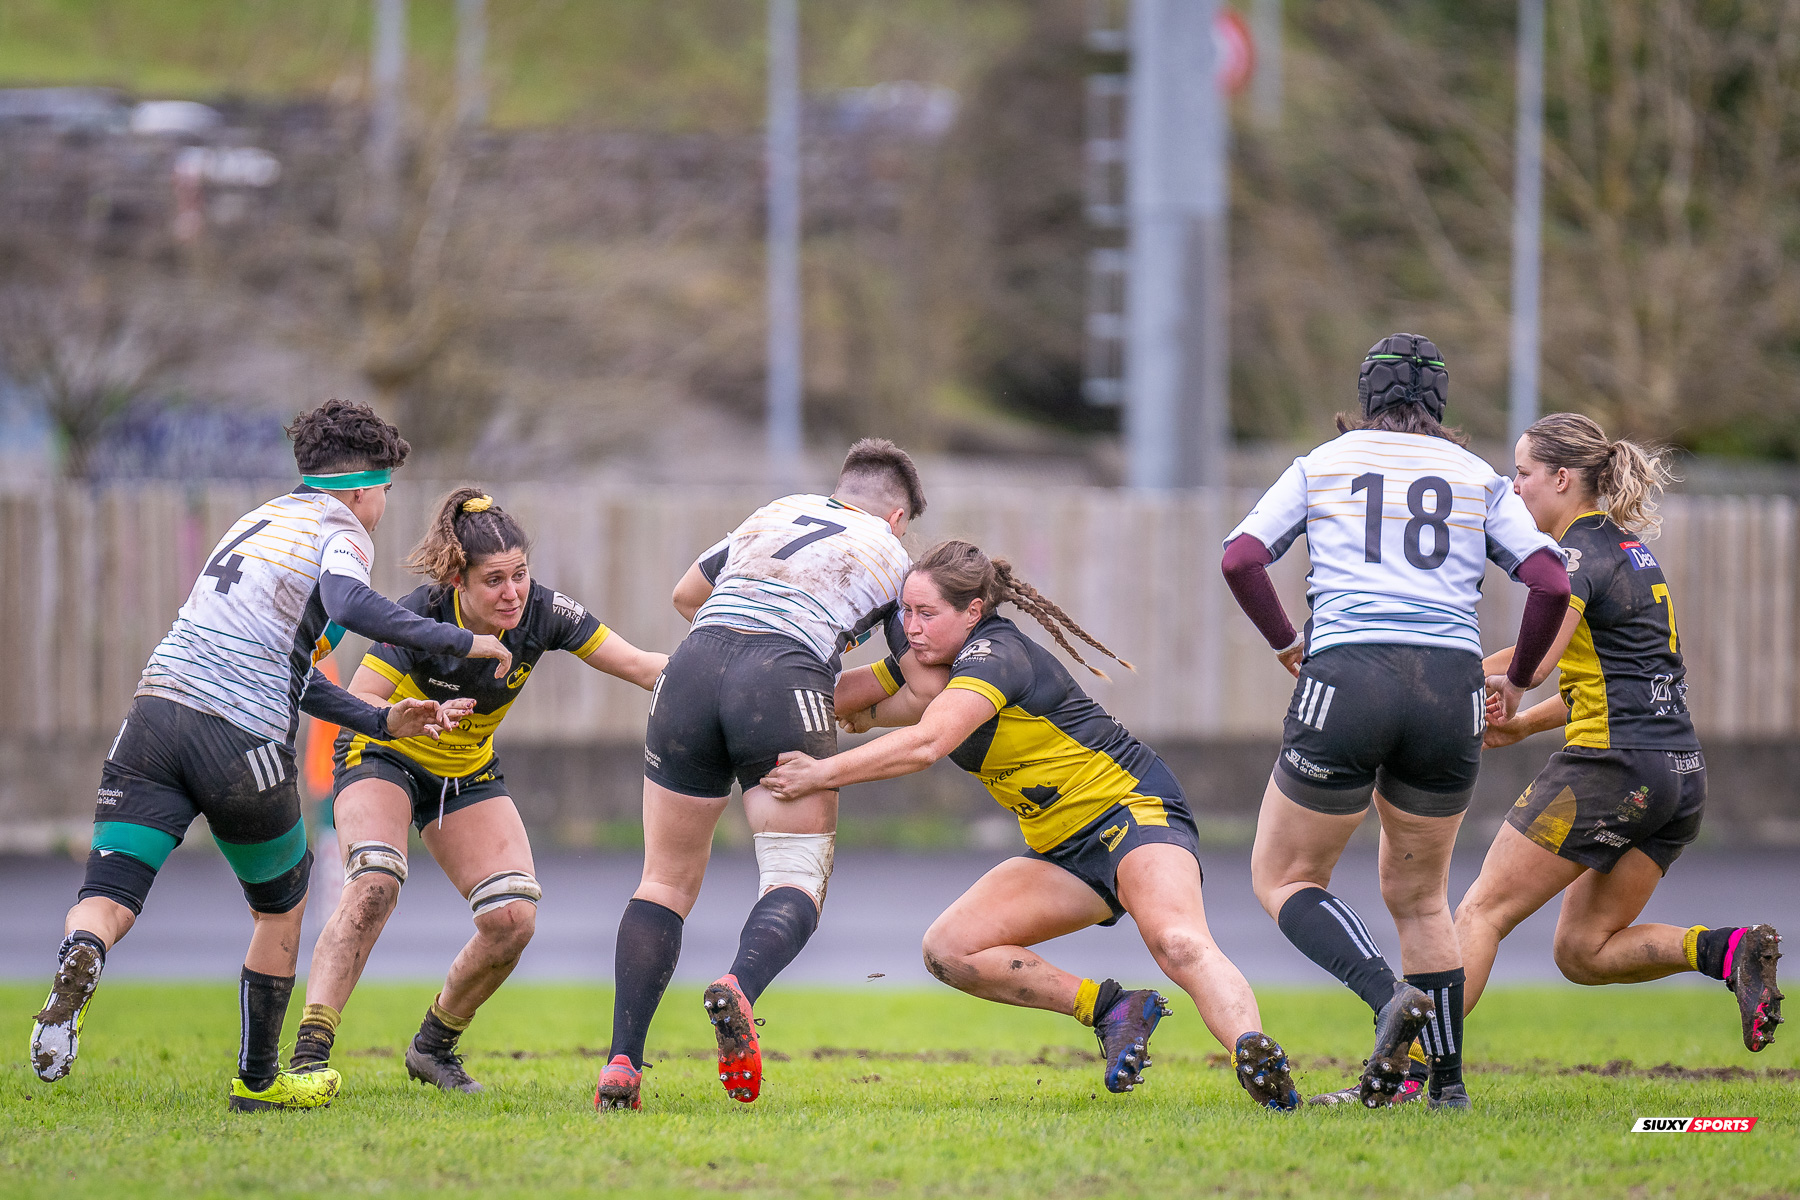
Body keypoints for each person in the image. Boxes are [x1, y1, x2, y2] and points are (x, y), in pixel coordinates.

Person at [29, 400, 509, 1112]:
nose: (381, 506)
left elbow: (292, 669)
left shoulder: (256, 521)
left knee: (110, 895)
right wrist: (459, 640)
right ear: (360, 488)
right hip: (239, 737)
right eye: (383, 490)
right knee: (282, 906)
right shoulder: (340, 527)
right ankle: (258, 1083)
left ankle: (83, 954)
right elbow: (347, 603)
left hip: (153, 715)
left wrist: (380, 719)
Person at [763, 540, 1304, 1112]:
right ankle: (1112, 1009)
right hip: (1061, 847)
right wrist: (736, 678)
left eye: (926, 614)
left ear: (972, 612)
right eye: (904, 613)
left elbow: (925, 743)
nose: (911, 627)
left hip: (1130, 808)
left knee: (1176, 940)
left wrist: (818, 775)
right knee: (950, 949)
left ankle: (1253, 1052)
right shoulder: (931, 665)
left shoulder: (996, 655)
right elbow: (841, 701)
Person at [1220, 334, 1570, 1110]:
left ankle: (1386, 996)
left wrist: (1286, 643)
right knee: (1422, 898)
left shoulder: (1322, 464)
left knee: (1285, 876)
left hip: (1349, 675)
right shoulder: (1478, 478)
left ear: (1365, 397)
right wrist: (1517, 680)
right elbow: (1550, 578)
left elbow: (1241, 558)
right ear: (1438, 402)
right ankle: (1448, 1089)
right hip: (1451, 687)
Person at [288, 488, 667, 1092]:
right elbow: (359, 701)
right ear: (457, 580)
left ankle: (432, 1048)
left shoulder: (544, 613)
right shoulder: (421, 615)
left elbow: (643, 666)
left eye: (520, 574)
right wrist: (408, 718)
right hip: (382, 752)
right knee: (376, 881)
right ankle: (310, 1054)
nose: (513, 593)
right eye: (494, 580)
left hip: (464, 770)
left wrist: (714, 680)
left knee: (513, 917)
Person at [595, 439, 932, 1111]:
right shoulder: (893, 556)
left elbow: (686, 594)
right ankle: (738, 989)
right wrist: (839, 695)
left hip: (691, 667)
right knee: (794, 877)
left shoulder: (776, 511)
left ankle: (622, 1063)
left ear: (841, 488)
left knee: (663, 881)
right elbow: (922, 683)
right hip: (785, 677)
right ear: (897, 518)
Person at [1455, 413, 1782, 1048]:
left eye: (1522, 473)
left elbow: (1533, 661)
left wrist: (1439, 675)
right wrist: (1522, 727)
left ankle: (1407, 1072)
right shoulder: (1630, 551)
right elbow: (1603, 681)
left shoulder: (1571, 558)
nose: (1514, 487)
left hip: (1612, 771)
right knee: (1583, 950)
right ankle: (1726, 950)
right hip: (1677, 776)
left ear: (1562, 478)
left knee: (1480, 911)